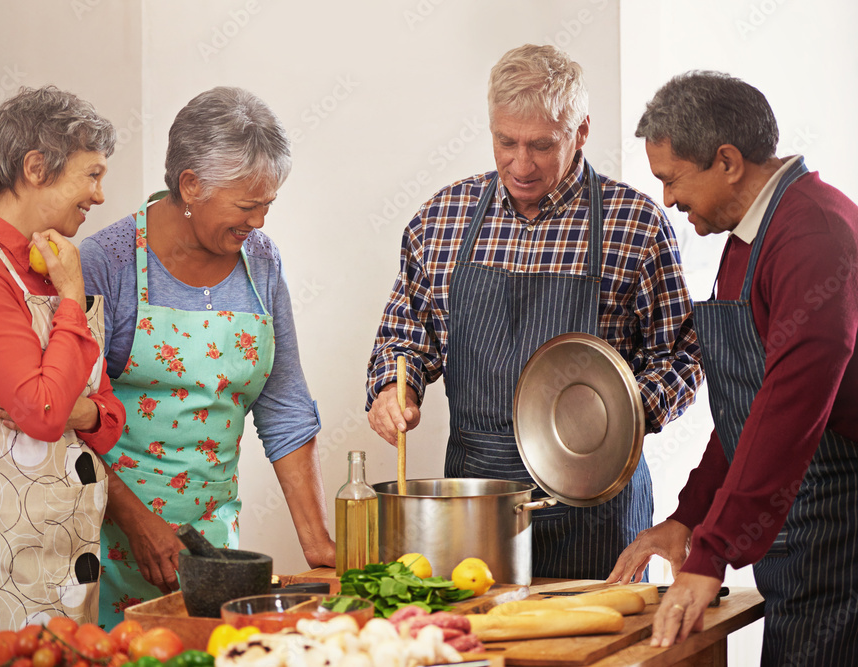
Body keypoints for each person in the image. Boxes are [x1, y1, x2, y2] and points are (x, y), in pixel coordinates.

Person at [366, 44, 702, 580]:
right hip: (477, 502)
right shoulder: (442, 217)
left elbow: (681, 354)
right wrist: (393, 388)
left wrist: (618, 419)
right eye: (507, 142)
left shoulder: (634, 225)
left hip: (596, 503)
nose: (521, 165)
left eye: (542, 145)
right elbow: (406, 335)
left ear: (581, 131)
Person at [608, 71, 858, 663]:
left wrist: (712, 552)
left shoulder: (812, 235)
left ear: (726, 161)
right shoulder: (745, 239)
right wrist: (690, 517)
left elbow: (789, 411)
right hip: (797, 529)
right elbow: (749, 405)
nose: (668, 200)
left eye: (671, 179)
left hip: (839, 530)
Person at [81, 86, 335, 627]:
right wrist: (138, 522)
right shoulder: (107, 262)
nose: (260, 222)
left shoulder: (261, 261)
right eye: (248, 206)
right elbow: (68, 419)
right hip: (110, 543)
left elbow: (284, 407)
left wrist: (320, 547)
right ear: (191, 184)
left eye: (268, 204)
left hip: (212, 551)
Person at [0, 86, 123, 666]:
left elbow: (104, 418)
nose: (100, 195)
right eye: (91, 174)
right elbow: (40, 411)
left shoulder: (55, 267)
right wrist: (71, 301)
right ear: (36, 168)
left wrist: (78, 411)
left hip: (68, 547)